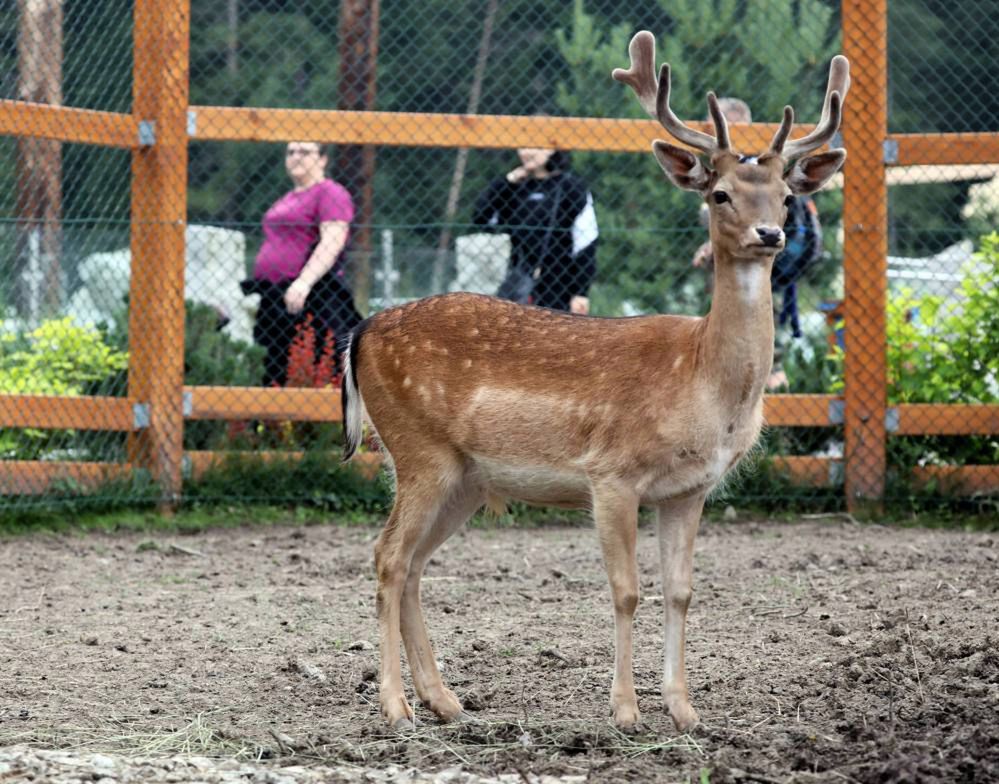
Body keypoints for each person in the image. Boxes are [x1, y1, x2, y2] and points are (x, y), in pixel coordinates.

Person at [690, 98, 823, 389]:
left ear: (742, 127)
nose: (718, 136)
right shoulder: (744, 169)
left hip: (764, 264)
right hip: (746, 265)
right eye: (715, 129)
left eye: (723, 127)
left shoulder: (755, 172)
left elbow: (754, 216)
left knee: (760, 345)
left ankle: (774, 397)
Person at [242, 141, 361, 386]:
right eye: (291, 152)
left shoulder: (329, 192)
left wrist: (304, 282)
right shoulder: (288, 197)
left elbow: (332, 241)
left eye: (305, 152)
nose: (296, 157)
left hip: (312, 297)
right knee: (273, 370)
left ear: (322, 159)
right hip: (276, 299)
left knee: (316, 367)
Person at [472, 147, 598, 314]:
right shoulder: (514, 188)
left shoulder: (572, 187)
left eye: (535, 146)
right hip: (516, 281)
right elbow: (481, 217)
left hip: (559, 285)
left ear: (551, 150)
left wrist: (581, 293)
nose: (526, 152)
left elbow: (586, 244)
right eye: (523, 146)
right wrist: (508, 180)